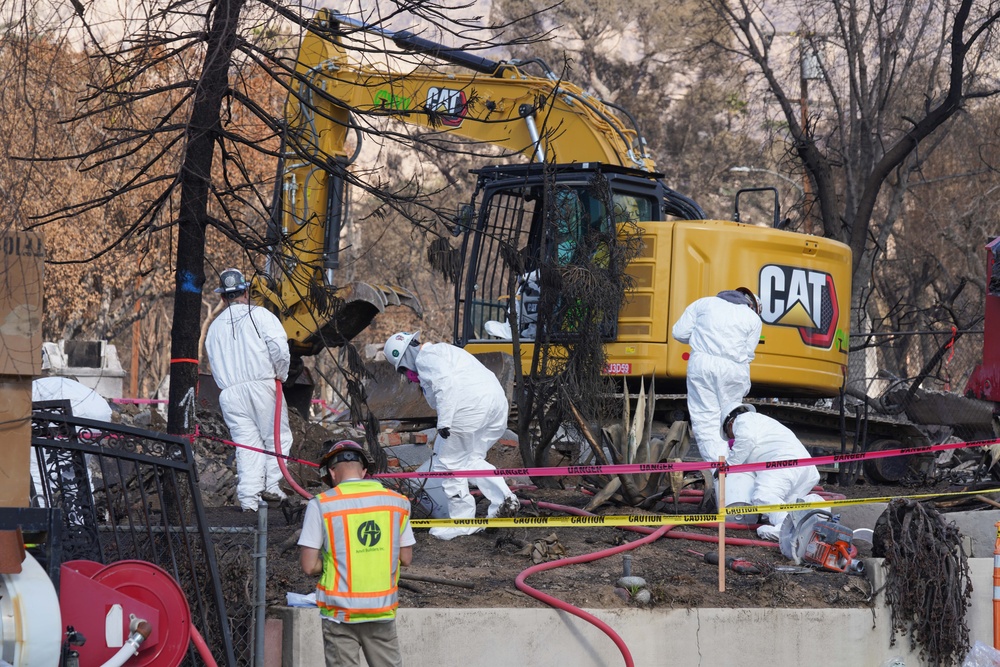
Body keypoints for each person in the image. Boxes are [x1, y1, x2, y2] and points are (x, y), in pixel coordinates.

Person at [383, 331, 519, 540]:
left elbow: (446, 386)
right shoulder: (443, 352)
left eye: (403, 369)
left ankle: (461, 522)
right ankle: (505, 500)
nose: (407, 375)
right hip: (494, 406)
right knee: (470, 459)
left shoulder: (426, 358)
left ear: (405, 358)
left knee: (449, 465)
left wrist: (445, 422)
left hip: (468, 409)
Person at [298, 440, 414, 667]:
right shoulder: (397, 503)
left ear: (331, 472)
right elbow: (406, 558)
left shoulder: (321, 505)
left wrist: (334, 559)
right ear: (363, 471)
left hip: (339, 615)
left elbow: (309, 566)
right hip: (381, 611)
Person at [205, 267, 290, 512]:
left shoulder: (214, 328)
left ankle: (249, 499)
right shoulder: (260, 316)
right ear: (246, 291)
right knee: (277, 439)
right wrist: (280, 374)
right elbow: (279, 349)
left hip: (230, 394)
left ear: (222, 297)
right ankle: (273, 488)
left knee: (247, 445)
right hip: (262, 385)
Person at [671, 287, 762, 508]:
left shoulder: (702, 303)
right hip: (734, 372)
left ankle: (721, 479)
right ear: (751, 304)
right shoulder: (753, 318)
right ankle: (739, 480)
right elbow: (749, 352)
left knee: (707, 426)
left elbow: (679, 332)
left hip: (702, 365)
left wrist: (703, 337)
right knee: (732, 424)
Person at [721, 403, 821, 541]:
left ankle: (785, 530)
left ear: (730, 423)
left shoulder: (743, 420)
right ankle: (815, 519)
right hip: (805, 468)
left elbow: (746, 439)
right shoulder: (761, 424)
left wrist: (729, 465)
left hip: (784, 462)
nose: (732, 438)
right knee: (788, 507)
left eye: (729, 435)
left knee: (763, 496)